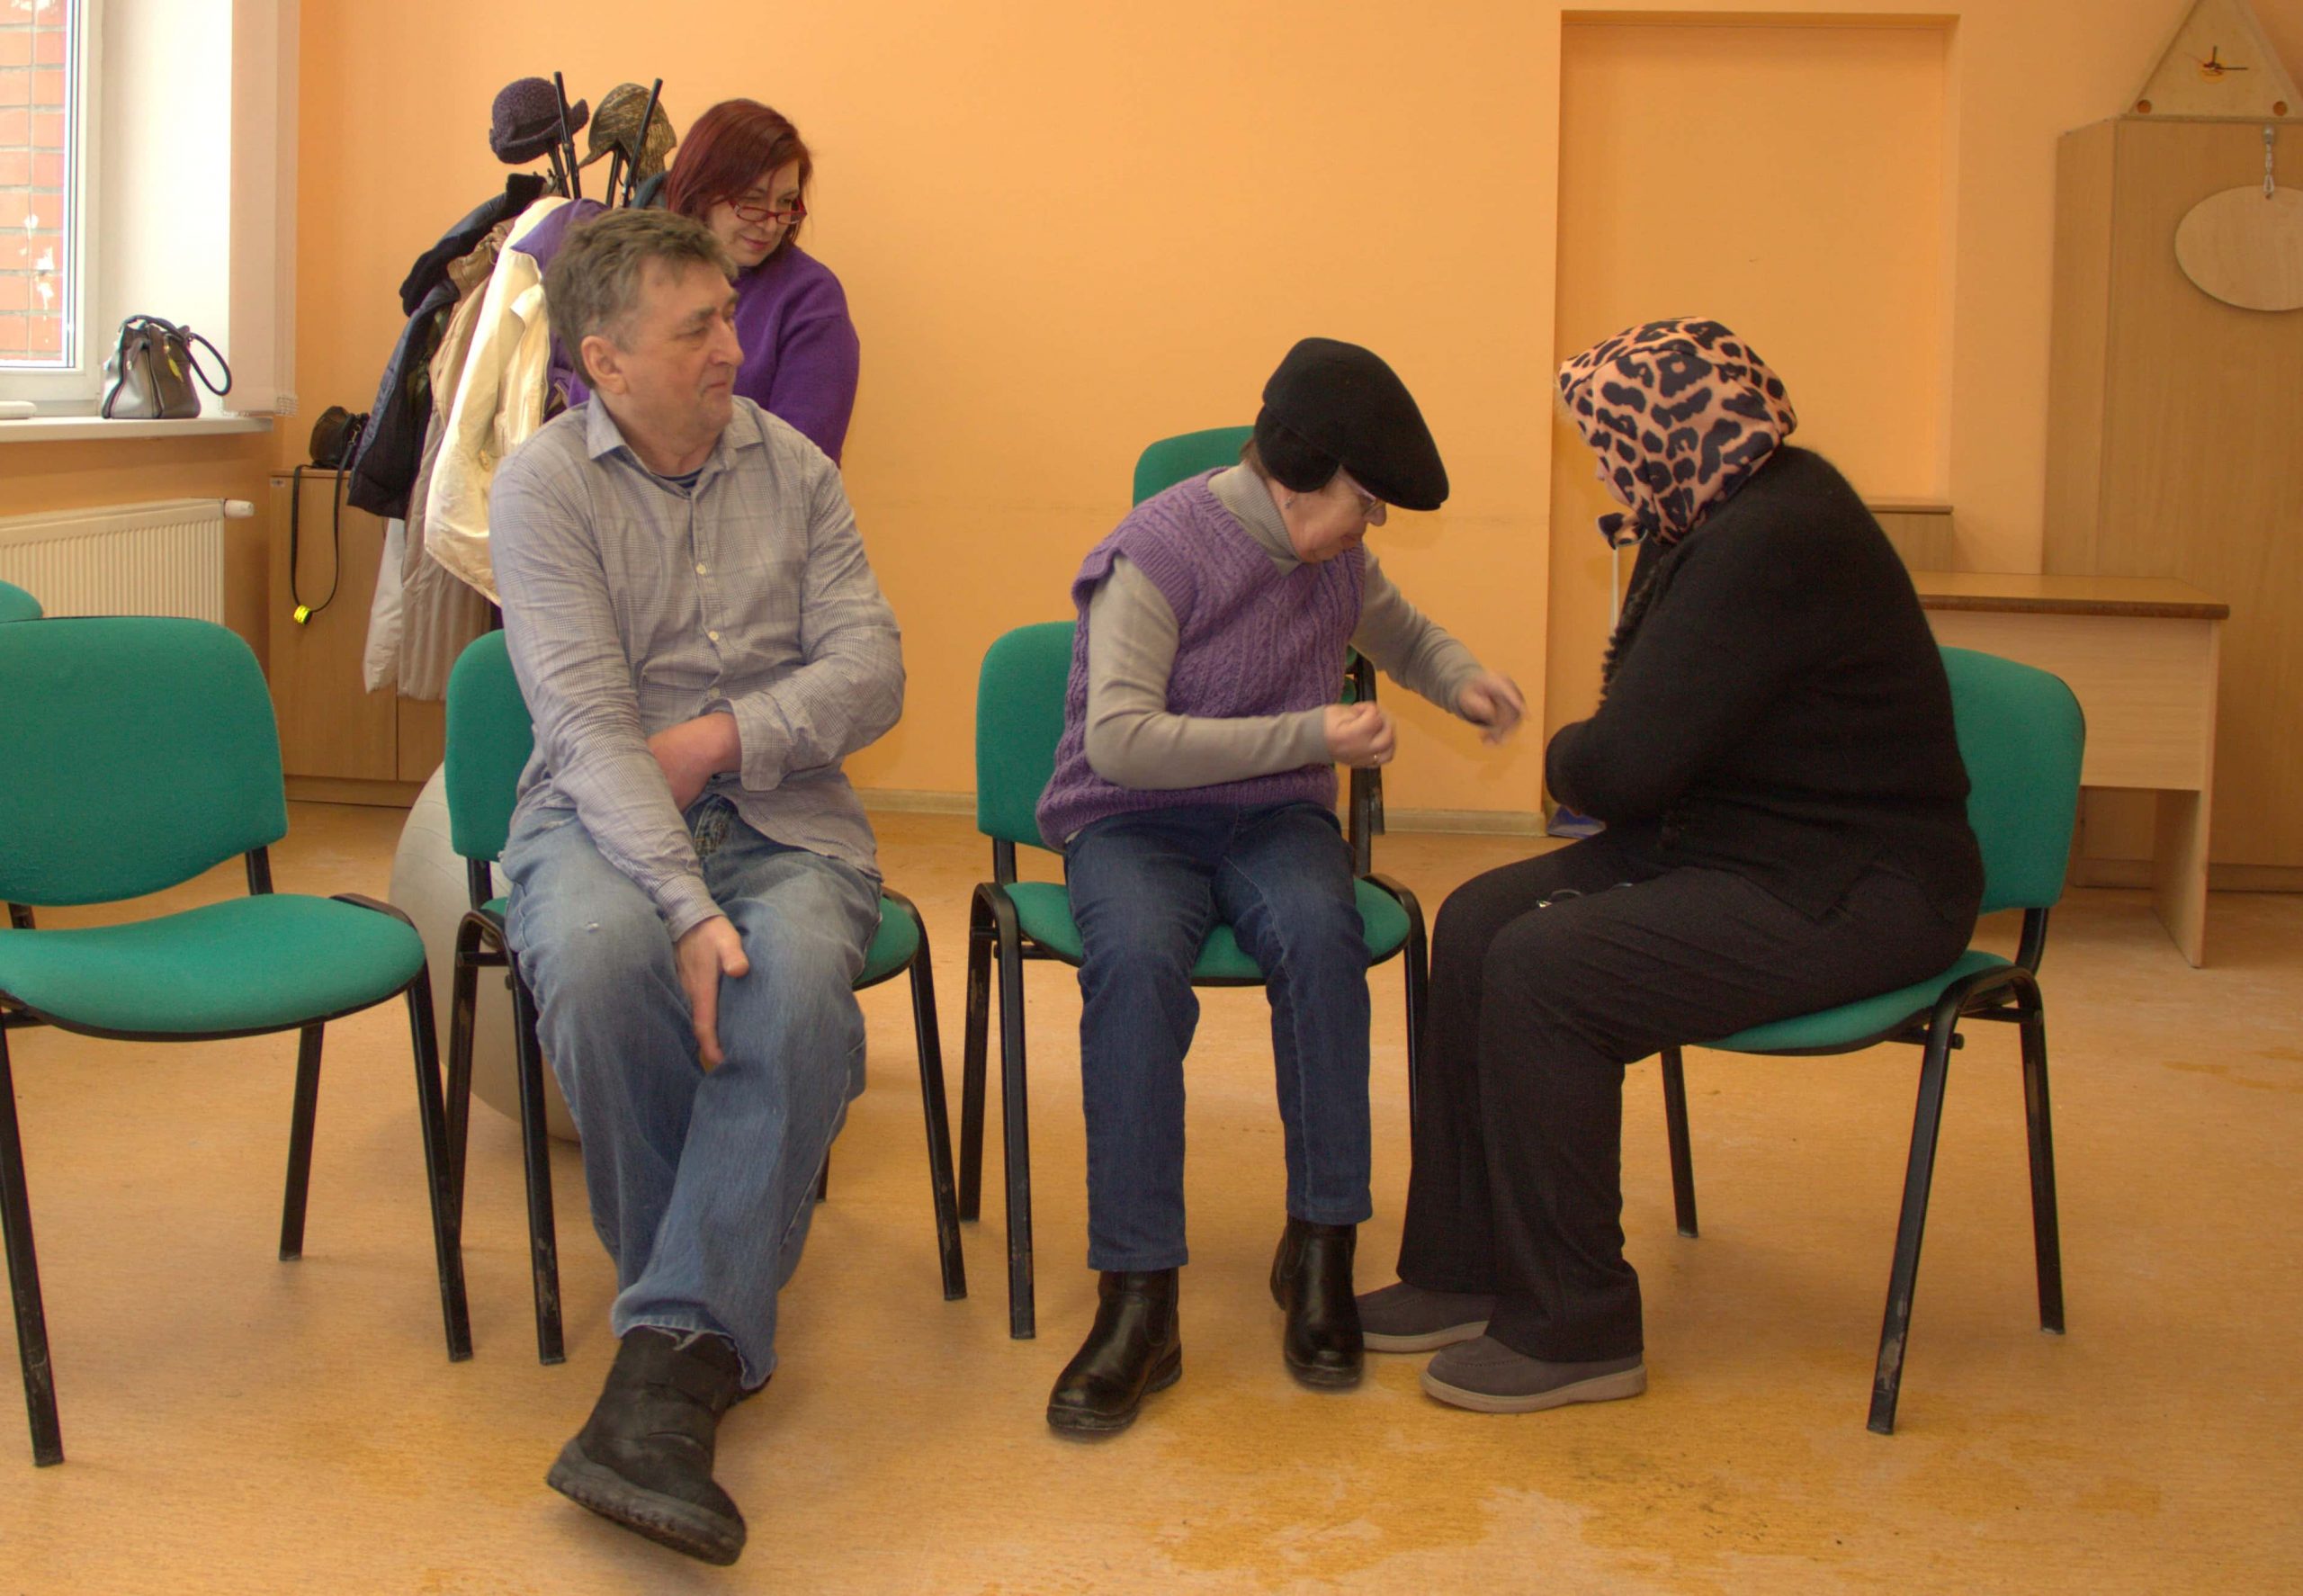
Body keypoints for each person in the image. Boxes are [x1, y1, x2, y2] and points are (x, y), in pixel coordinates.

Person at [1356, 318, 1984, 1414]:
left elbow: (1623, 766)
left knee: (1548, 969)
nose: (1603, 472)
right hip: (1736, 838)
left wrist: (1561, 754)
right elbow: (1648, 748)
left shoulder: (1774, 537)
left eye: (1609, 446)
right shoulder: (1708, 513)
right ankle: (1462, 1267)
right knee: (1476, 920)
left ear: (1674, 433)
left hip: (1858, 881)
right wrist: (1602, 755)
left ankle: (1577, 1326)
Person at [489, 209, 902, 1563]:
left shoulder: (798, 470)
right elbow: (584, 722)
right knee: (599, 959)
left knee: (790, 986)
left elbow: (873, 671)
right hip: (596, 816)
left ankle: (664, 1363)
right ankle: (701, 1319)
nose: (734, 347)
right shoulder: (543, 489)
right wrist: (683, 901)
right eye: (699, 328)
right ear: (605, 361)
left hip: (787, 818)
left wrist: (725, 737)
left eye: (730, 316)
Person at [1035, 337, 1528, 1434]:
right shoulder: (1155, 553)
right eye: (1366, 501)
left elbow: (1402, 633)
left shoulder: (1336, 560)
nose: (1371, 525)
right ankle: (1137, 1296)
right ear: (1304, 481)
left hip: (1271, 820)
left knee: (1321, 934)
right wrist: (1310, 733)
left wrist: (1461, 681)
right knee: (1135, 963)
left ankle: (1320, 1248)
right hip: (1132, 819)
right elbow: (1118, 740)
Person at [521, 97, 861, 461]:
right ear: (701, 192)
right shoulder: (629, 278)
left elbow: (802, 463)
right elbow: (585, 429)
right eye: (752, 200)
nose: (770, 222)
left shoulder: (810, 298)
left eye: (786, 202)